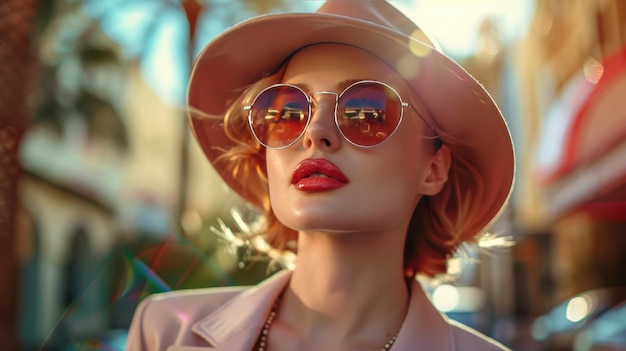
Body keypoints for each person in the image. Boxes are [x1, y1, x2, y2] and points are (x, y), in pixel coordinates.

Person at [126, 1, 515, 350]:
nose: (315, 133)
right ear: (265, 160)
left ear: (434, 169)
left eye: (366, 112)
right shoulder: (163, 333)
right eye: (288, 113)